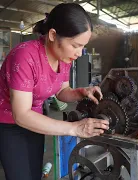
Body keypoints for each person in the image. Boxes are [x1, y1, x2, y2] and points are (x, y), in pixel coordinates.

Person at [0, 3, 109, 180]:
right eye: (75, 45)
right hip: (8, 123)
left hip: (35, 118)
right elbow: (20, 115)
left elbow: (61, 91)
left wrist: (81, 92)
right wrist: (74, 128)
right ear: (52, 35)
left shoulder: (64, 58)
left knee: (33, 171)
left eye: (82, 46)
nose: (79, 53)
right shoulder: (25, 57)